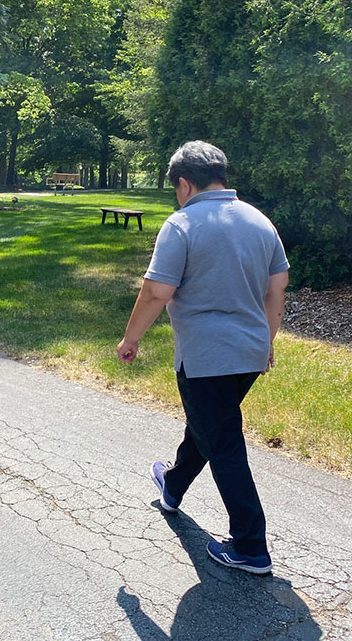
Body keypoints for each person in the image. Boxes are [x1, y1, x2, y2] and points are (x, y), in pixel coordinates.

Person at [117, 140, 289, 575]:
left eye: (176, 187)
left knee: (224, 441)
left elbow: (158, 291)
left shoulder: (182, 223)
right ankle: (172, 485)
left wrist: (130, 339)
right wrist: (266, 341)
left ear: (184, 183)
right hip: (250, 352)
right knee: (210, 426)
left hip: (206, 356)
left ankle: (251, 546)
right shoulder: (259, 221)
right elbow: (276, 291)